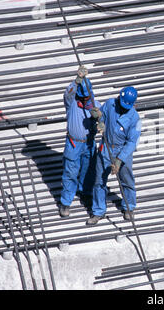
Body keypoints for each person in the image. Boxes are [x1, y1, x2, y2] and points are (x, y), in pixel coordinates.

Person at [86, 86, 141, 225]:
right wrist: (98, 118)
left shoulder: (135, 118)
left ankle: (129, 207)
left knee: (127, 181)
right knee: (99, 181)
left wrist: (119, 160)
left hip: (123, 152)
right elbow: (101, 117)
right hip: (106, 147)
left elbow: (132, 142)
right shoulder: (110, 104)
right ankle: (98, 211)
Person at [59, 66, 101, 218]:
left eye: (86, 97)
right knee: (70, 172)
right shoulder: (72, 102)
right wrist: (77, 81)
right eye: (82, 97)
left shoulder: (95, 103)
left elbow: (103, 117)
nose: (84, 100)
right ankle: (65, 202)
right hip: (74, 143)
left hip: (89, 143)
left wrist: (100, 118)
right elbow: (67, 93)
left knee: (88, 170)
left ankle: (86, 193)